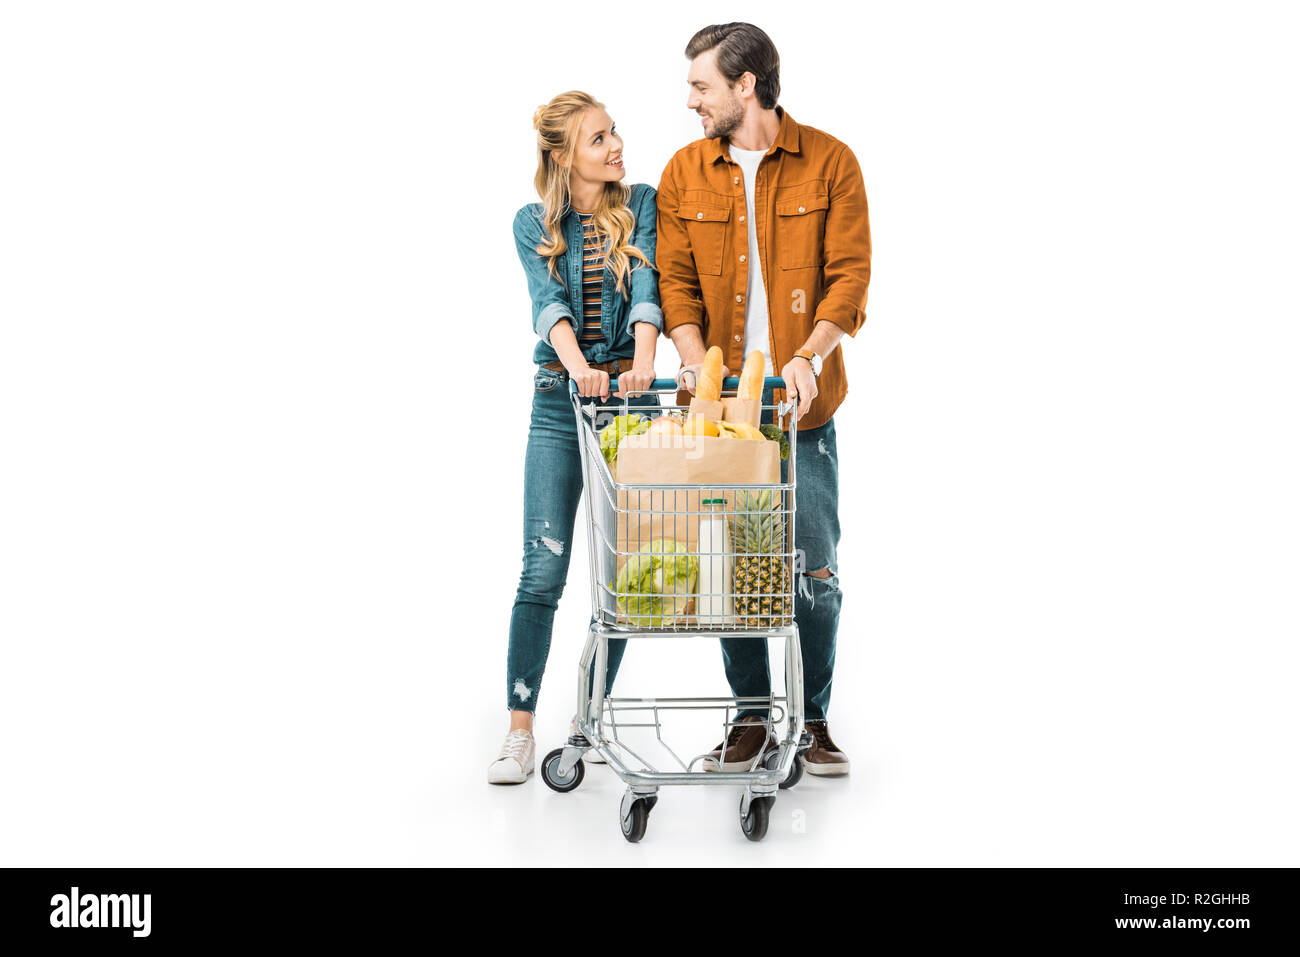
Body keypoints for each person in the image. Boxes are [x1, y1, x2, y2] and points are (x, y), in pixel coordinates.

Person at [656, 24, 872, 775]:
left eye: (701, 86)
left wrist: (810, 356)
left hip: (802, 409)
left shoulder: (831, 163)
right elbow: (676, 283)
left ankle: (812, 720)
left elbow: (849, 277)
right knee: (731, 567)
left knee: (812, 566)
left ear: (745, 86)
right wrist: (692, 365)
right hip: (722, 415)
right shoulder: (685, 172)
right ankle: (751, 717)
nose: (692, 101)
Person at [488, 91, 663, 784]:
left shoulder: (640, 203)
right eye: (598, 138)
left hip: (628, 405)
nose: (615, 144)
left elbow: (647, 282)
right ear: (563, 156)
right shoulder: (533, 221)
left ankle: (586, 721)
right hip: (561, 404)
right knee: (543, 567)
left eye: (613, 131)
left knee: (621, 576)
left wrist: (641, 365)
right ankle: (518, 729)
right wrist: (581, 369)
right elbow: (548, 305)